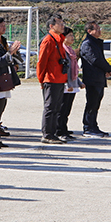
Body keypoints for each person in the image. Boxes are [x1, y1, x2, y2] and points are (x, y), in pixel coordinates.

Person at [37, 16, 69, 144]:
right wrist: (41, 79)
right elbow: (41, 61)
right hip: (50, 79)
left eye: (63, 23)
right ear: (51, 26)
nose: (63, 26)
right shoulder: (48, 41)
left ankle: (53, 132)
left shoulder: (60, 40)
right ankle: (47, 134)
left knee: (56, 107)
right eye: (60, 23)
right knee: (50, 107)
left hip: (59, 78)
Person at [79, 22, 111, 137]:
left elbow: (100, 59)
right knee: (92, 103)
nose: (100, 30)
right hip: (92, 78)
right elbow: (94, 59)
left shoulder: (95, 43)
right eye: (97, 29)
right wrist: (108, 68)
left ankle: (94, 126)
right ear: (89, 31)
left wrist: (106, 70)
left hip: (98, 77)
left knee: (96, 104)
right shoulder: (87, 43)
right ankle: (88, 127)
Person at [56, 27, 84, 140]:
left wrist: (79, 82)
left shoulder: (71, 50)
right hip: (65, 84)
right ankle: (59, 130)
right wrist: (68, 84)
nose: (72, 37)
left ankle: (64, 129)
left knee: (67, 109)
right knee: (61, 109)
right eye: (70, 35)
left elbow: (74, 69)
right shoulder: (62, 50)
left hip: (73, 84)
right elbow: (64, 69)